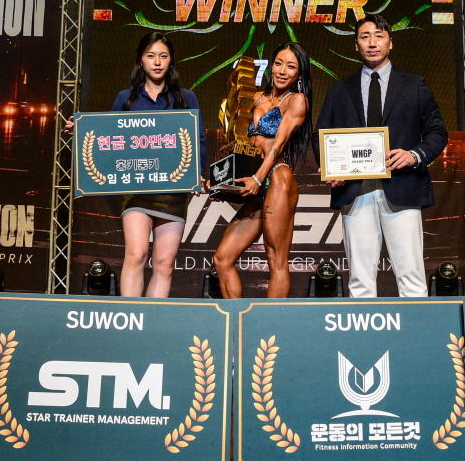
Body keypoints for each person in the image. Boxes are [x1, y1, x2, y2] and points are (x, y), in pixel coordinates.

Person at [66, 32, 207, 297]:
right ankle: (132, 317)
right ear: (140, 60)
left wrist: (196, 174)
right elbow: (108, 138)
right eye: (150, 56)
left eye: (163, 56)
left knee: (164, 264)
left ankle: (153, 319)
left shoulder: (186, 98)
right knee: (137, 253)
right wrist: (82, 131)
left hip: (173, 192)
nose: (157, 62)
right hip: (136, 190)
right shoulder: (126, 98)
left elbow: (197, 141)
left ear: (171, 60)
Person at [318, 15, 448, 298]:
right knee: (360, 281)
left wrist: (415, 155)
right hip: (356, 189)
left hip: (402, 186)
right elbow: (322, 136)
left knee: (412, 276)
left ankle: (416, 328)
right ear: (356, 45)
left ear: (390, 42)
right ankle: (363, 329)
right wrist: (330, 168)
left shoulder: (414, 84)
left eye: (379, 36)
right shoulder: (339, 89)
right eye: (365, 37)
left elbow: (437, 133)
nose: (372, 43)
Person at [213, 42, 313, 299]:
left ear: (299, 73)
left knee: (275, 258)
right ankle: (237, 318)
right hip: (255, 180)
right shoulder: (255, 98)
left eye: (291, 67)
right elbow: (236, 143)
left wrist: (259, 178)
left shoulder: (297, 101)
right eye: (278, 63)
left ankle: (272, 321)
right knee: (222, 258)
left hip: (276, 177)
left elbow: (279, 144)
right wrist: (220, 182)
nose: (282, 71)